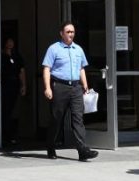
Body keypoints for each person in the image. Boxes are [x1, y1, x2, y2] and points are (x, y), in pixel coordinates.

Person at [41, 21, 98, 161]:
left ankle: (82, 150)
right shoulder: (53, 49)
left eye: (72, 32)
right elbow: (46, 68)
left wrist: (85, 85)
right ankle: (51, 147)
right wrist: (47, 88)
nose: (71, 34)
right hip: (60, 86)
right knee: (57, 119)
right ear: (61, 33)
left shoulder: (78, 49)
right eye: (68, 32)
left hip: (76, 88)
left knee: (78, 119)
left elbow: (81, 68)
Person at [0, 36, 26, 146]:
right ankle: (3, 135)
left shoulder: (16, 56)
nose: (10, 43)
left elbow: (21, 70)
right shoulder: (0, 55)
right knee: (4, 110)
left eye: (12, 41)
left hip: (14, 85)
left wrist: (23, 85)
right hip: (2, 85)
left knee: (12, 110)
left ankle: (11, 135)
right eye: (8, 41)